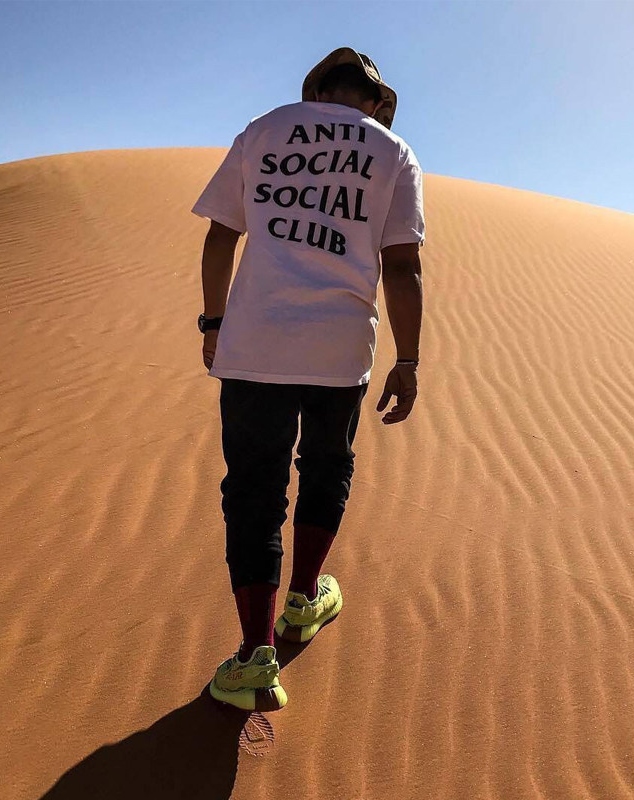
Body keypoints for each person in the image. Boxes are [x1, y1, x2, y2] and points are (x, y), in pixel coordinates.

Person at [191, 46, 425, 712]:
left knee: (254, 492)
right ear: (374, 102)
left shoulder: (264, 129)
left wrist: (213, 322)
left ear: (316, 90)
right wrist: (408, 360)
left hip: (256, 342)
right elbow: (403, 266)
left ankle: (253, 657)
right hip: (340, 350)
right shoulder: (393, 152)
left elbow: (221, 237)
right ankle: (303, 599)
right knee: (327, 467)